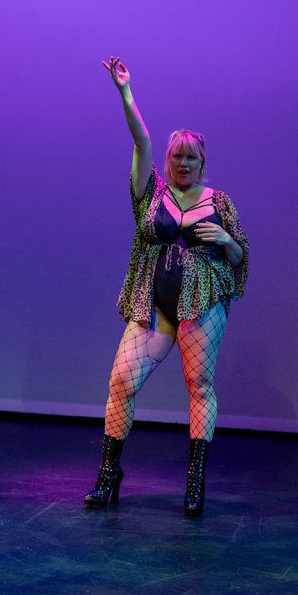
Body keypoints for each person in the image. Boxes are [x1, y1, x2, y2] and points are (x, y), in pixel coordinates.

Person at [84, 57, 248, 516]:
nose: (183, 163)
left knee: (199, 384)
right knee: (122, 381)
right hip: (153, 306)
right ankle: (108, 473)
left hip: (202, 303)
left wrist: (227, 241)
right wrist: (125, 92)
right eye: (177, 156)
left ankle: (194, 482)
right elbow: (141, 141)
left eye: (191, 157)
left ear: (202, 162)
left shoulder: (220, 202)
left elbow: (241, 258)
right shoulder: (151, 193)